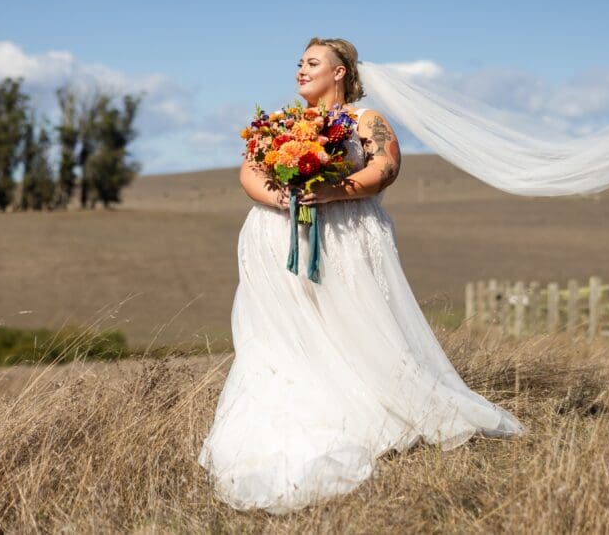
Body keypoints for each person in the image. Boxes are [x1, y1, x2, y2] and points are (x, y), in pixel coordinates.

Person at [197, 37, 524, 515]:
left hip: (344, 236)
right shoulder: (280, 124)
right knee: (279, 335)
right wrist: (283, 201)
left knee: (350, 325)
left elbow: (385, 167)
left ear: (341, 72)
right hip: (276, 238)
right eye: (298, 64)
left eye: (312, 63)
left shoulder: (365, 121)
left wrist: (330, 193)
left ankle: (371, 412)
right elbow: (250, 172)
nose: (300, 71)